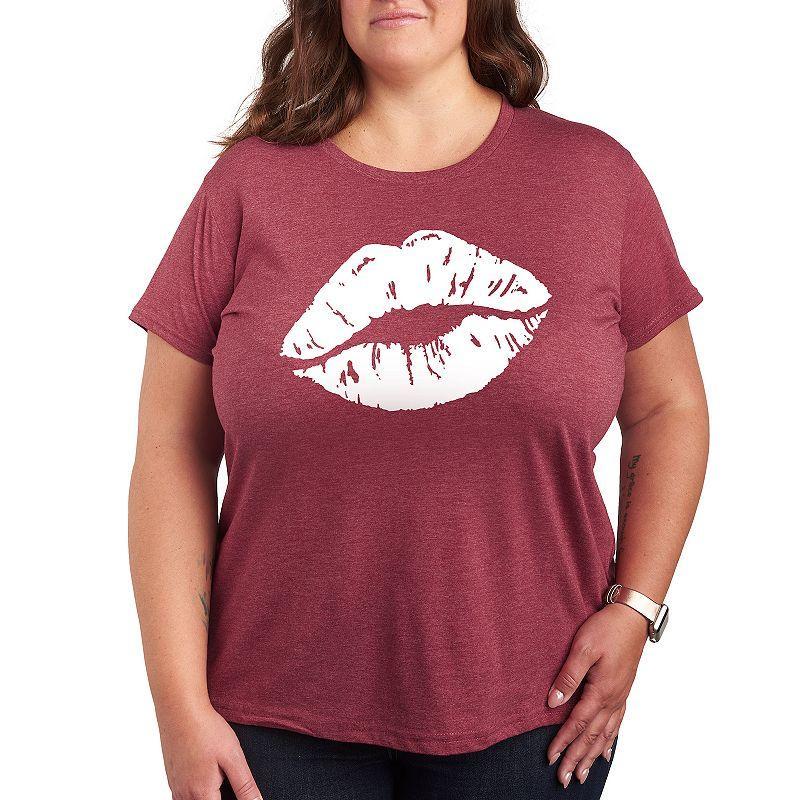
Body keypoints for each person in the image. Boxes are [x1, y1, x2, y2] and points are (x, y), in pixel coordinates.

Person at [128, 2, 709, 798]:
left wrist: (636, 607)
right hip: (265, 725)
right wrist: (176, 708)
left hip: (540, 716)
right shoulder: (244, 187)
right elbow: (171, 445)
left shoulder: (596, 179)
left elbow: (668, 409)